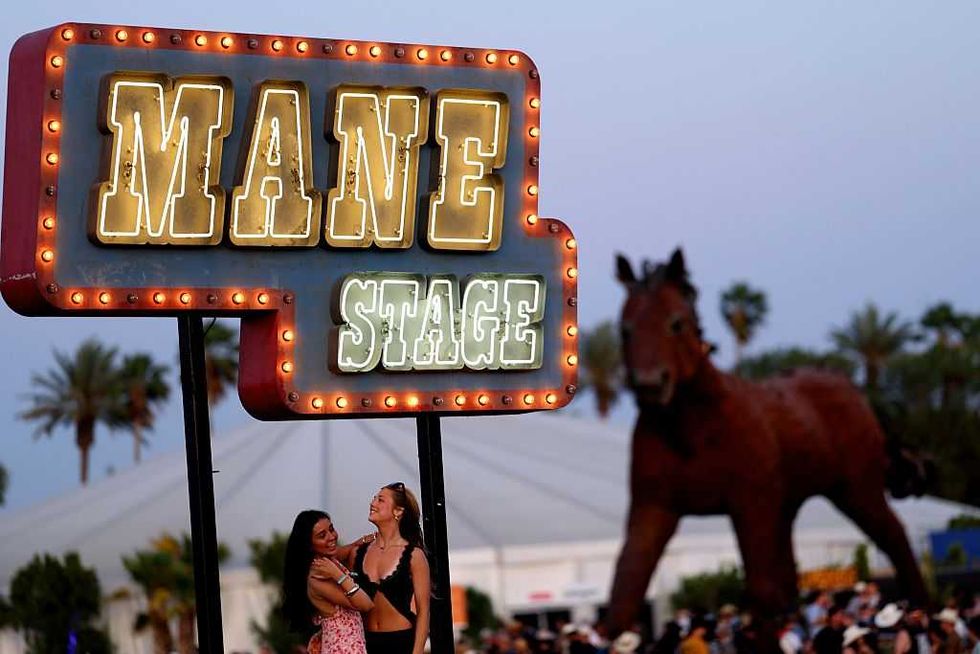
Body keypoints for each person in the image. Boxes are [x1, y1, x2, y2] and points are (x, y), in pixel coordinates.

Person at [349, 482, 431, 654]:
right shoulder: (357, 553)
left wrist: (417, 652)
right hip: (364, 642)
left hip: (401, 642)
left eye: (380, 500)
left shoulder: (414, 555)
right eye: (374, 498)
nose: (373, 503)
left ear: (398, 511)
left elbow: (424, 612)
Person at [282, 510, 375, 653]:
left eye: (331, 529)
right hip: (342, 649)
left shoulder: (326, 560)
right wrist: (338, 575)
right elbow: (366, 604)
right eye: (322, 536)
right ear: (309, 544)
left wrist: (364, 541)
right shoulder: (318, 577)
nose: (332, 537)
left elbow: (345, 550)